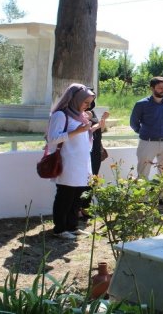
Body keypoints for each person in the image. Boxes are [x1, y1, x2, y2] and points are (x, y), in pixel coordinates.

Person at [47, 83, 103, 239]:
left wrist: (93, 128)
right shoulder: (60, 115)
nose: (88, 106)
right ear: (76, 99)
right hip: (68, 162)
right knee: (65, 196)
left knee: (77, 196)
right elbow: (52, 139)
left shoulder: (80, 115)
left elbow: (83, 137)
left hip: (81, 162)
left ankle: (72, 226)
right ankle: (60, 229)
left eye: (90, 103)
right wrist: (76, 131)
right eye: (85, 102)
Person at [129, 76, 163, 205]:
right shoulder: (142, 104)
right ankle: (142, 200)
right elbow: (134, 122)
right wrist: (144, 133)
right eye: (160, 88)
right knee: (143, 171)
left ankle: (162, 198)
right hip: (147, 142)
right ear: (152, 88)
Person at [79, 99, 109, 220]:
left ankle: (86, 208)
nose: (89, 102)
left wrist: (103, 120)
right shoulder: (77, 114)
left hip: (95, 150)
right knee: (81, 180)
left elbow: (100, 130)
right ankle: (78, 209)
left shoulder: (92, 112)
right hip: (84, 152)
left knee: (92, 179)